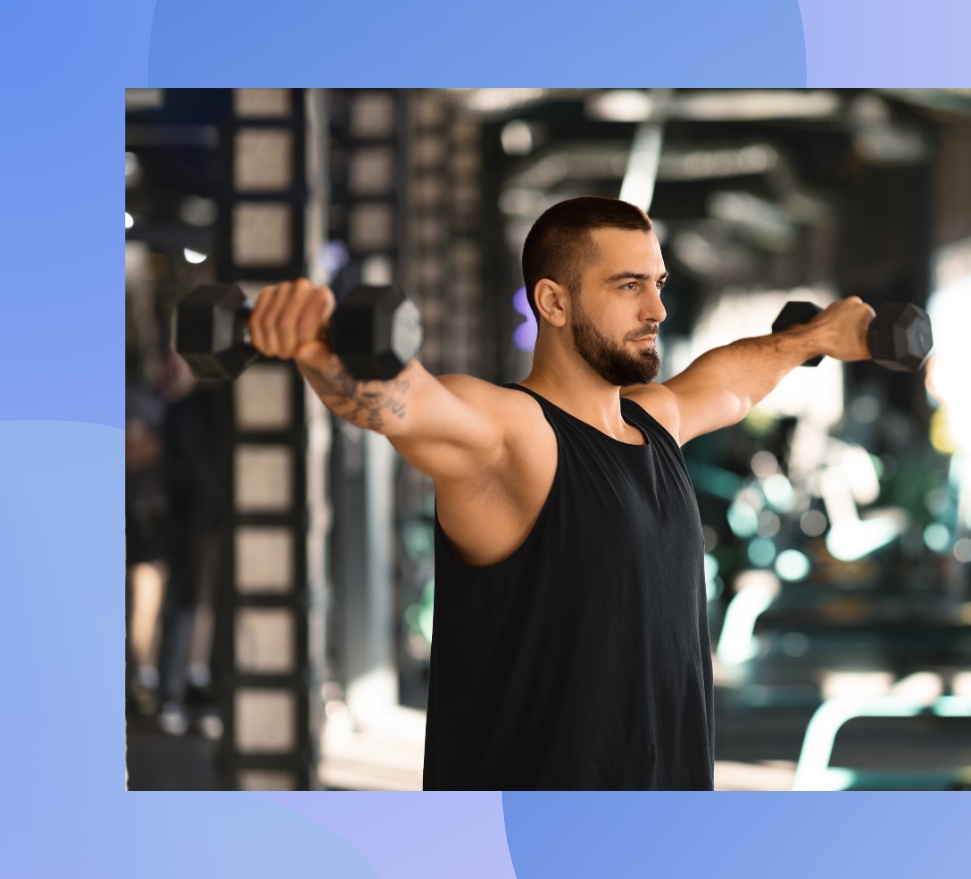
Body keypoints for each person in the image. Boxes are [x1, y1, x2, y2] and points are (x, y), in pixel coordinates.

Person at [247, 196, 874, 790]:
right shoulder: (515, 434)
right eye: (628, 286)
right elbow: (406, 406)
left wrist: (814, 338)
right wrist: (319, 346)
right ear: (553, 301)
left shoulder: (655, 424)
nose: (656, 309)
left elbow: (730, 382)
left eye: (656, 284)